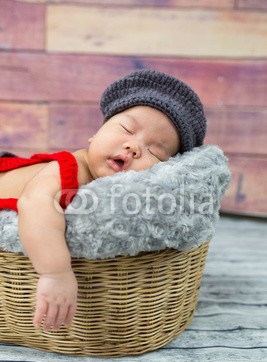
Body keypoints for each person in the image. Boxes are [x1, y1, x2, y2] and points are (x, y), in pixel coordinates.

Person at [0, 69, 206, 332]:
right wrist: (56, 273)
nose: (134, 146)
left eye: (155, 150)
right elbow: (34, 203)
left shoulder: (115, 197)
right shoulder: (70, 167)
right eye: (126, 128)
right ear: (94, 135)